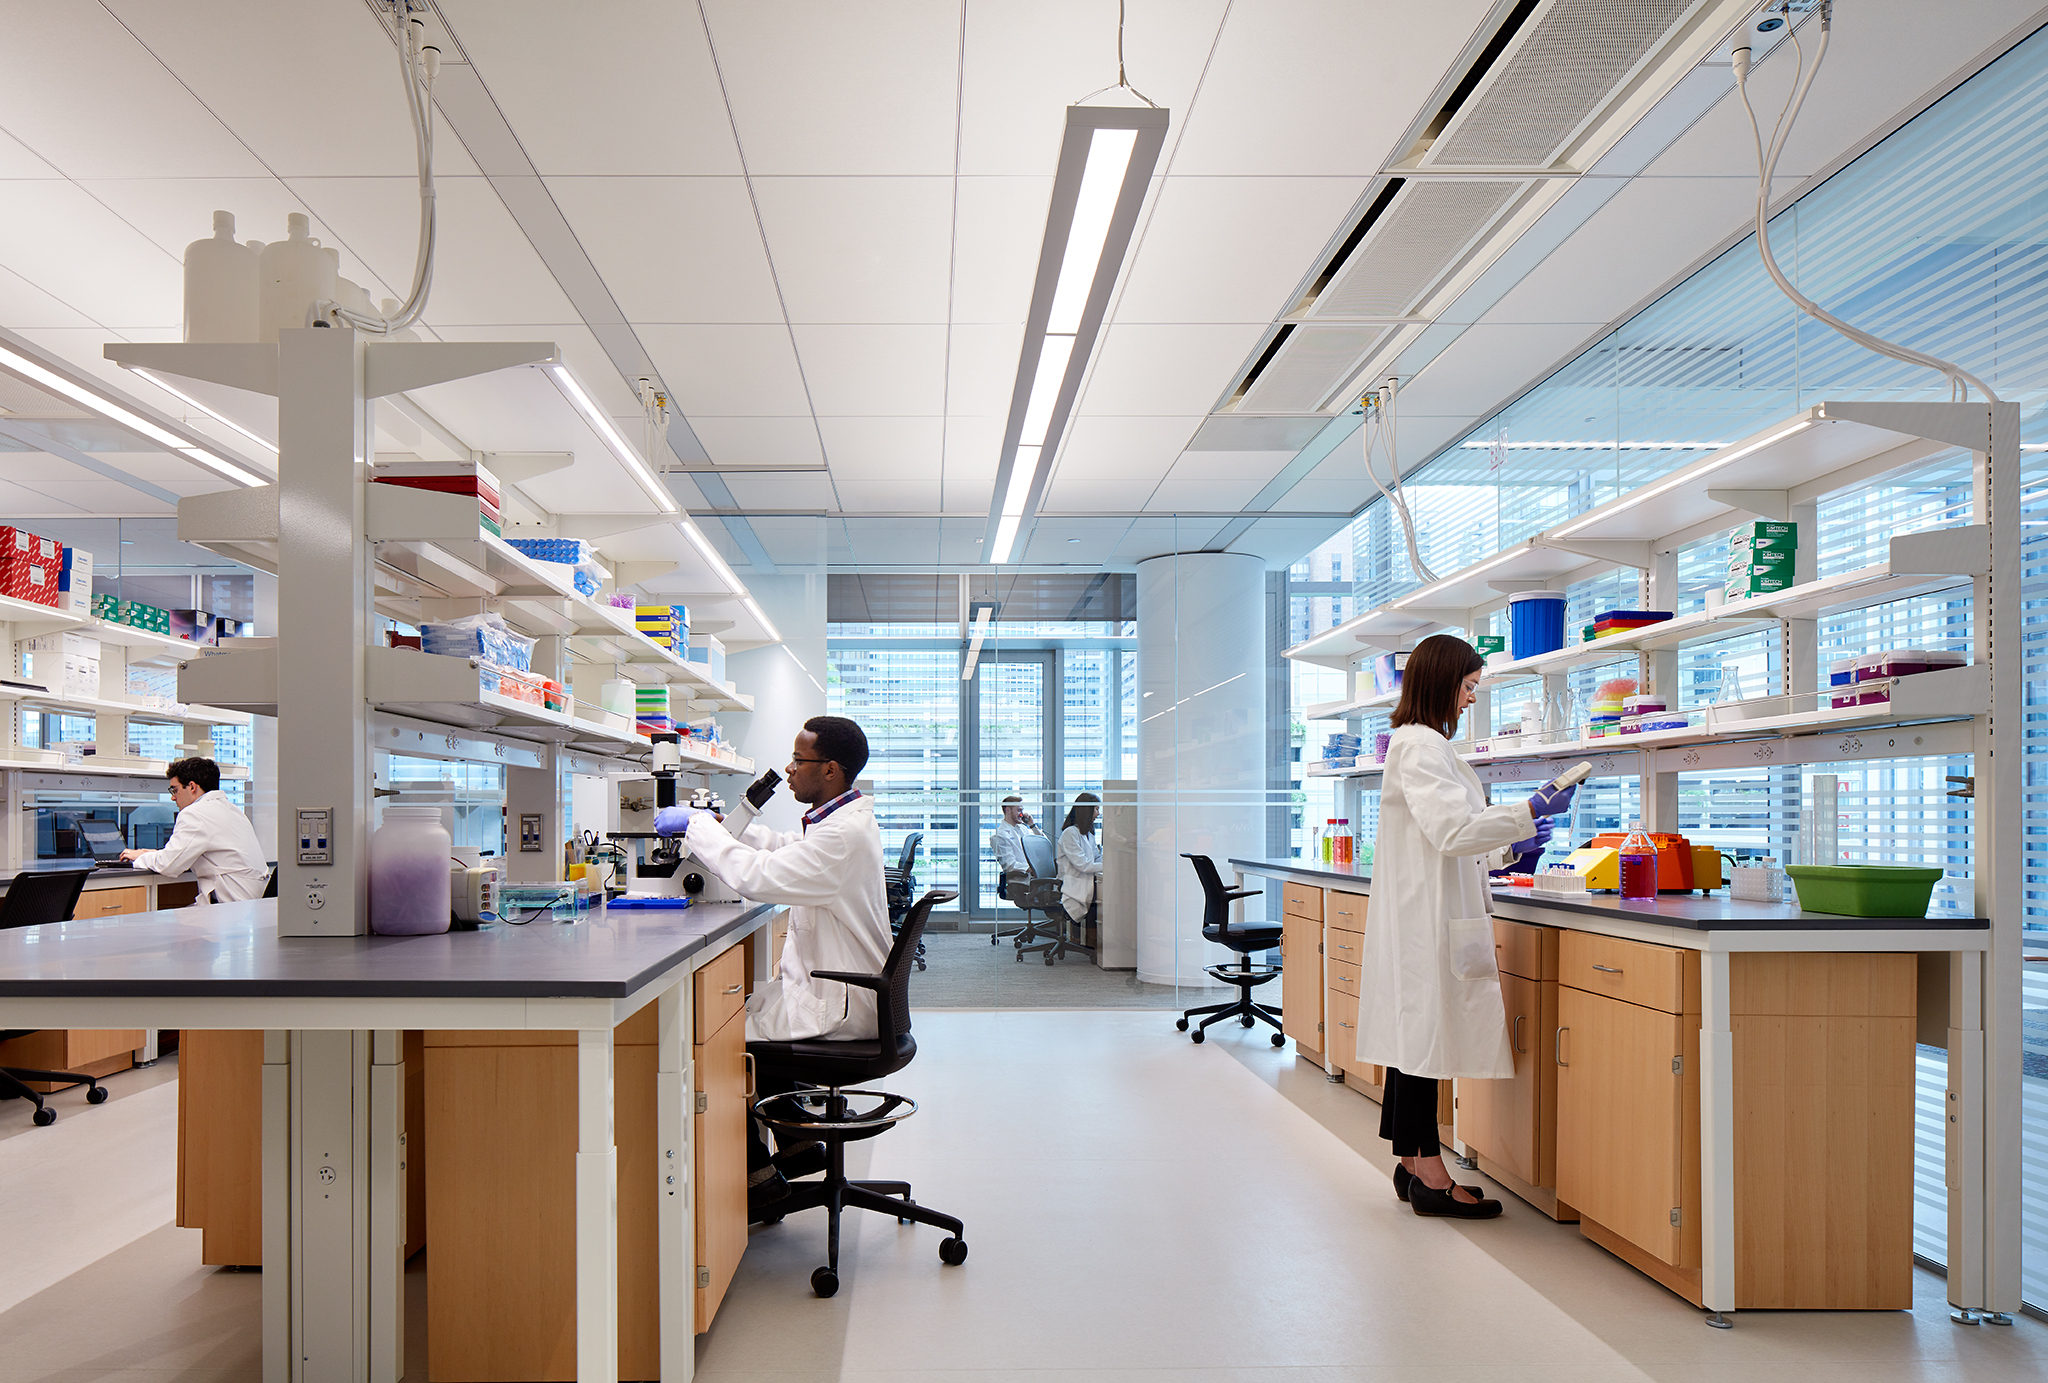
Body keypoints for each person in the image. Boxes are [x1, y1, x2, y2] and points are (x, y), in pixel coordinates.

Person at [1355, 634, 1575, 1220]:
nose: (1471, 699)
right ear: (1441, 683)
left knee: (1415, 1041)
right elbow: (1453, 833)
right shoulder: (1421, 745)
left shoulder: (1419, 745)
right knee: (1423, 1043)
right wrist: (1527, 811)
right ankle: (1430, 1175)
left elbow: (1451, 835)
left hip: (1426, 911)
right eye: (1469, 686)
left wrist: (1511, 849)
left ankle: (1410, 1163)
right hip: (1426, 920)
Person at [651, 715, 890, 1211]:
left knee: (715, 1038)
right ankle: (801, 1149)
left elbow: (758, 878)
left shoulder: (841, 838)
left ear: (829, 770)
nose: (789, 769)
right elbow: (786, 850)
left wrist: (697, 827)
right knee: (754, 1008)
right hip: (843, 993)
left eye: (799, 761)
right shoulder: (840, 823)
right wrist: (727, 830)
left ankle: (758, 1177)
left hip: (842, 1006)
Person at [118, 757, 269, 904]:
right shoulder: (232, 810)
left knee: (171, 923)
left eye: (174, 790)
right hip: (252, 903)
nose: (173, 798)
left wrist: (139, 858)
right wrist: (153, 854)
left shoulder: (195, 813)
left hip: (230, 907)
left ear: (192, 787)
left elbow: (169, 865)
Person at [1056, 791, 1103, 949]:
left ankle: (1094, 943)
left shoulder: (1087, 834)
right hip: (1072, 884)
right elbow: (1083, 865)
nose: (1098, 813)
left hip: (1082, 880)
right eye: (1096, 809)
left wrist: (1109, 859)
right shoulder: (1070, 834)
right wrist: (1109, 866)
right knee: (1103, 898)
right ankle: (1096, 944)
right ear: (1087, 811)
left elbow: (1095, 858)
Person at [989, 795, 1044, 898]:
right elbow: (1010, 865)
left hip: (1034, 877)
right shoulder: (1000, 836)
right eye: (1019, 810)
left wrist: (1032, 826)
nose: (1022, 814)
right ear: (1008, 810)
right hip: (1021, 881)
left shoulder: (1023, 829)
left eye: (1022, 810)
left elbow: (1043, 844)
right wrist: (1030, 868)